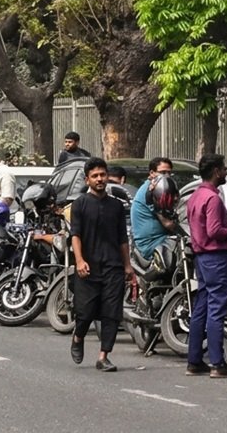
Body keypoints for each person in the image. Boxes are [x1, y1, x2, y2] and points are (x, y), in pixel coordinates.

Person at [68, 157, 133, 372]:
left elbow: (122, 238)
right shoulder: (80, 204)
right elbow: (75, 235)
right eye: (94, 176)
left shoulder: (116, 206)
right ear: (87, 180)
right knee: (85, 312)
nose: (99, 179)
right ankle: (78, 336)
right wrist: (79, 260)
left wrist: (127, 266)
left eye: (102, 175)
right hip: (88, 267)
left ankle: (103, 356)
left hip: (113, 266)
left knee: (111, 313)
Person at [186, 153, 227, 378]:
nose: (226, 172)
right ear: (217, 171)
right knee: (217, 309)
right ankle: (217, 363)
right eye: (224, 168)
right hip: (215, 257)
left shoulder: (195, 196)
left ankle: (194, 360)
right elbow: (215, 231)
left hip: (201, 257)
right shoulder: (212, 199)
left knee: (202, 306)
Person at [130, 157, 182, 260]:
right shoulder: (152, 191)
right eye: (162, 172)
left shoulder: (160, 188)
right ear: (152, 173)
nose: (166, 176)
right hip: (152, 243)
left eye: (169, 173)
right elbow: (168, 224)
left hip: (161, 239)